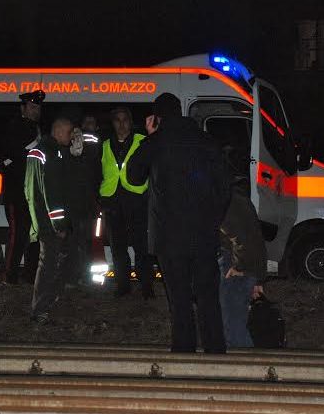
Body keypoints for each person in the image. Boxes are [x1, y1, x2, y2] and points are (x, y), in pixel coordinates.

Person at [126, 92, 231, 353]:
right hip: (204, 236)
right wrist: (213, 220)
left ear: (157, 117)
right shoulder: (207, 142)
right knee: (208, 297)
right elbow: (225, 189)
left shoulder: (158, 141)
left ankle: (184, 353)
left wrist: (150, 138)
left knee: (179, 299)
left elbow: (134, 176)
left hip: (169, 238)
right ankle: (215, 352)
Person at [25, 116, 80, 324]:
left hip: (40, 217)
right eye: (69, 133)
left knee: (50, 263)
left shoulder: (39, 151)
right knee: (48, 265)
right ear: (58, 132)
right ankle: (40, 310)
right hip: (50, 222)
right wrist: (59, 224)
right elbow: (53, 192)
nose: (71, 137)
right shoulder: (51, 153)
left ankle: (45, 303)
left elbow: (33, 189)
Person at [99, 107, 153, 298]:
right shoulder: (104, 145)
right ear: (112, 123)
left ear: (131, 122)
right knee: (118, 247)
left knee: (142, 246)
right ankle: (123, 286)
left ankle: (146, 285)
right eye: (117, 120)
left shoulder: (142, 141)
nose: (121, 124)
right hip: (113, 201)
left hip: (136, 199)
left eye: (125, 120)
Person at [0, 90, 45, 284]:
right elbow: (10, 160)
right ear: (23, 108)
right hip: (17, 193)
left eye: (38, 108)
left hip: (33, 193)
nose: (36, 111)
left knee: (34, 236)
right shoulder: (14, 128)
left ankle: (31, 274)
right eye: (32, 107)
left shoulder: (37, 129)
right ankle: (10, 276)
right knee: (18, 236)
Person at [218, 172, 267, 348]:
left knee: (232, 325)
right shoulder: (237, 197)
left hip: (237, 265)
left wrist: (241, 267)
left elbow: (244, 238)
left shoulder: (228, 201)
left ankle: (243, 369)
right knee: (234, 323)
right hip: (244, 265)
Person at [65, 115, 102, 284]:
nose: (88, 126)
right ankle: (77, 276)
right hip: (77, 201)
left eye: (91, 122)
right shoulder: (73, 141)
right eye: (85, 122)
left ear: (97, 127)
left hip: (90, 201)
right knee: (79, 241)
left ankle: (84, 277)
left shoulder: (93, 141)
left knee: (87, 241)